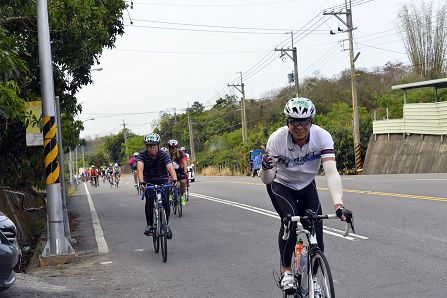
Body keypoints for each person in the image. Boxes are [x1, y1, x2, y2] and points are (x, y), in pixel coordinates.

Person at [260, 97, 353, 294]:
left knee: (317, 232)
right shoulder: (277, 139)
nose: (300, 127)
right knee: (290, 221)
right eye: (294, 121)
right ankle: (286, 271)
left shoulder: (322, 136)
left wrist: (339, 205)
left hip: (306, 184)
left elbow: (331, 172)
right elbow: (267, 179)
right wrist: (265, 168)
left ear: (311, 121)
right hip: (281, 184)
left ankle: (313, 279)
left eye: (304, 122)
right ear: (287, 121)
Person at [138, 132, 178, 239]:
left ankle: (166, 225)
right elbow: (140, 169)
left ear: (158, 145)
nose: (152, 147)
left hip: (162, 181)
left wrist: (174, 179)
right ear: (146, 146)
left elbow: (170, 167)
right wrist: (142, 182)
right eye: (149, 145)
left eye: (154, 145)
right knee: (150, 200)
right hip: (148, 182)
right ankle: (150, 226)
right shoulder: (142, 155)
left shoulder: (163, 154)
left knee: (165, 202)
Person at [168, 140, 188, 206]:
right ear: (169, 148)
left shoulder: (180, 153)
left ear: (177, 148)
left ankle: (181, 197)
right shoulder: (166, 154)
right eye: (171, 148)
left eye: (175, 147)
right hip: (169, 170)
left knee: (182, 182)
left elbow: (185, 163)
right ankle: (170, 194)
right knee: (168, 182)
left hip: (179, 170)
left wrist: (185, 173)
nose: (173, 149)